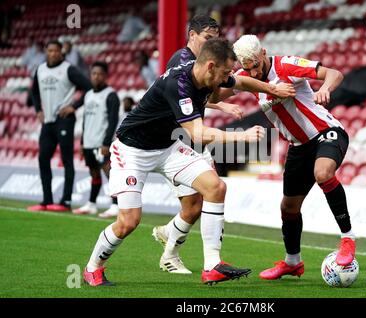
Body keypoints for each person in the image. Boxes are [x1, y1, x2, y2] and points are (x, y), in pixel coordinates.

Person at [82, 38, 295, 286]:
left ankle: (212, 265)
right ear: (211, 66)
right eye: (225, 72)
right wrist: (241, 136)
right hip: (131, 151)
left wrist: (272, 89)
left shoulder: (210, 74)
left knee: (215, 187)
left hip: (167, 147)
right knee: (128, 222)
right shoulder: (179, 84)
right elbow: (197, 134)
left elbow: (242, 81)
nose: (227, 79)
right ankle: (92, 267)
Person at [229, 35, 356, 280]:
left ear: (263, 53)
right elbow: (217, 92)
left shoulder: (286, 65)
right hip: (298, 147)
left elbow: (334, 73)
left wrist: (325, 89)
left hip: (325, 132)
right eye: (248, 67)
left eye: (256, 64)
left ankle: (348, 239)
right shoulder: (245, 77)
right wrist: (219, 104)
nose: (253, 72)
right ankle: (292, 263)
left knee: (323, 173)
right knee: (288, 207)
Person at [151, 14, 245, 275]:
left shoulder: (203, 63)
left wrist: (220, 101)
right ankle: (174, 254)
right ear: (191, 35)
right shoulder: (182, 60)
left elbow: (204, 94)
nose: (210, 43)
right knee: (196, 204)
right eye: (206, 37)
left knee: (200, 202)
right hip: (176, 141)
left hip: (193, 140)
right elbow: (181, 96)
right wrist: (223, 101)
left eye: (214, 38)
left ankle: (171, 238)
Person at [27, 40, 92, 212]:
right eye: (50, 51)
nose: (53, 54)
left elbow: (89, 88)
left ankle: (66, 201)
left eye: (56, 51)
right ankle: (46, 200)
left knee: (66, 160)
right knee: (42, 159)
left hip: (64, 120)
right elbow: (33, 92)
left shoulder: (68, 69)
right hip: (47, 121)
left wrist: (74, 106)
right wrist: (38, 110)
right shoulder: (40, 69)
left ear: (61, 53)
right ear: (46, 52)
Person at [72, 61, 120, 218]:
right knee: (94, 173)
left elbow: (113, 121)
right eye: (94, 74)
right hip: (89, 142)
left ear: (105, 76)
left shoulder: (111, 95)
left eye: (100, 74)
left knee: (110, 174)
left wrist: (106, 143)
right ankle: (92, 204)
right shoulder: (88, 94)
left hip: (102, 143)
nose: (96, 77)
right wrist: (82, 142)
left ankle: (116, 206)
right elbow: (85, 119)